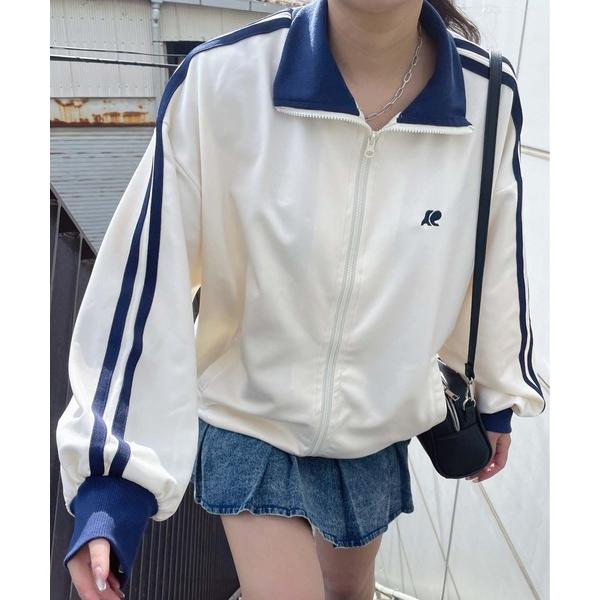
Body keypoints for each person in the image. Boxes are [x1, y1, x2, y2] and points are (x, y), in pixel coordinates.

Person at [56, 0, 546, 598]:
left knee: (350, 591)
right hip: (249, 415)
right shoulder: (224, 78)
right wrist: (113, 482)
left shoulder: (486, 96)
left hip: (378, 422)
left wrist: (496, 391)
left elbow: (496, 254)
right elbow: (147, 272)